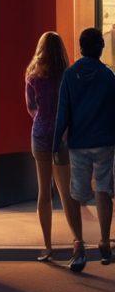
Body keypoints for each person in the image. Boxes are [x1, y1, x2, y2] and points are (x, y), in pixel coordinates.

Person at [54, 26, 115, 272]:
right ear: (101, 48)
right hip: (104, 142)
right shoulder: (108, 76)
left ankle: (78, 245)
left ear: (80, 48)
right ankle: (104, 241)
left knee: (77, 195)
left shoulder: (70, 75)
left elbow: (63, 112)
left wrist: (55, 141)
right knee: (103, 189)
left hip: (78, 144)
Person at [25, 31, 72, 260]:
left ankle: (47, 246)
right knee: (66, 192)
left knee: (44, 191)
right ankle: (77, 240)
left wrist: (40, 117)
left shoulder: (33, 76)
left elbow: (31, 107)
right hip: (61, 136)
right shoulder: (67, 75)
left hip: (41, 134)